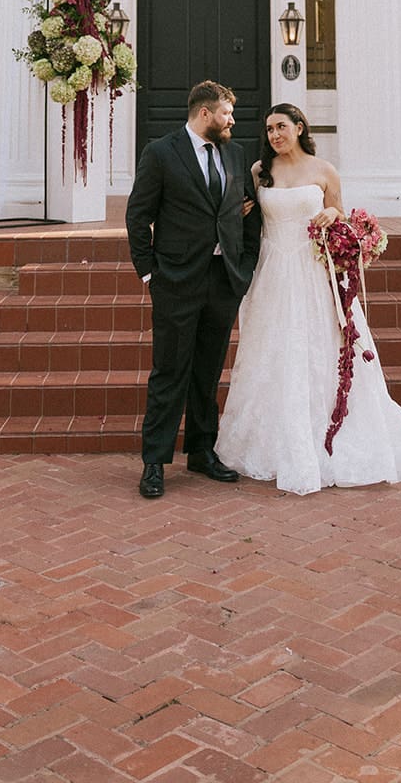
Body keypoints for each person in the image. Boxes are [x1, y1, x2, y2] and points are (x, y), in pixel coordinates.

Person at [215, 103, 401, 496]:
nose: (274, 135)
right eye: (270, 129)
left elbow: (338, 211)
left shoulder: (324, 170)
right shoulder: (259, 172)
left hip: (312, 270)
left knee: (321, 346)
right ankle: (276, 440)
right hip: (272, 270)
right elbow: (247, 216)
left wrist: (330, 215)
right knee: (274, 348)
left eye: (282, 127)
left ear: (299, 128)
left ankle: (333, 433)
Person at [126, 79, 262, 499]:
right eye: (226, 114)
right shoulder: (161, 152)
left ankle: (203, 451)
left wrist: (244, 266)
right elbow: (138, 214)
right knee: (170, 372)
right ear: (205, 113)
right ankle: (155, 462)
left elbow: (249, 213)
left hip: (222, 281)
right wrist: (150, 272)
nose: (232, 121)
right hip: (176, 281)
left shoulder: (236, 154)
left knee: (207, 371)